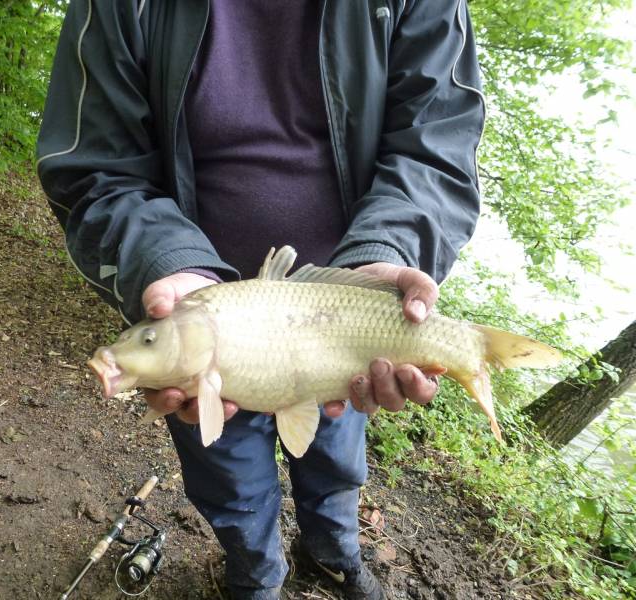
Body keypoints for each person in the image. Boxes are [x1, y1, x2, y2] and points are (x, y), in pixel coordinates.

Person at [37, 1, 484, 598]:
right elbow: (97, 168)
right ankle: (256, 576)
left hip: (345, 312)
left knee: (336, 457)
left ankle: (331, 552)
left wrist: (388, 249)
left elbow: (436, 149)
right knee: (229, 475)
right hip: (193, 295)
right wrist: (166, 263)